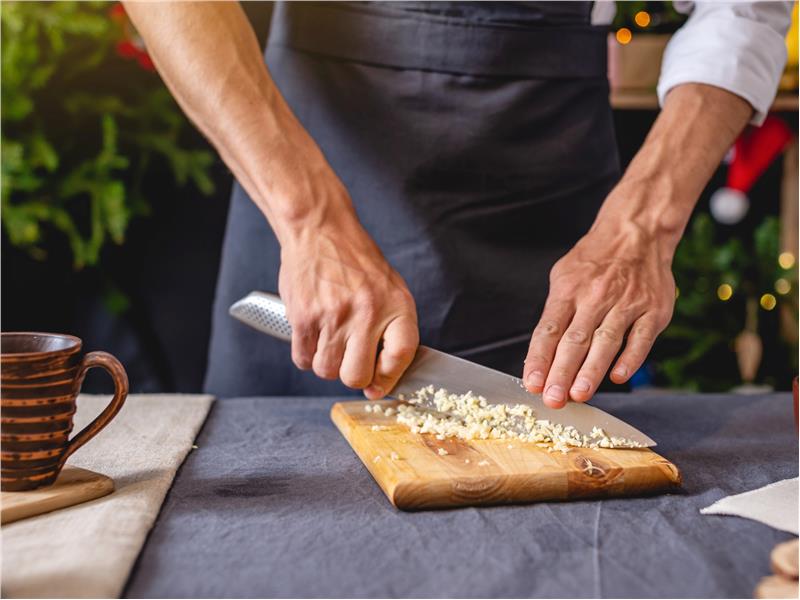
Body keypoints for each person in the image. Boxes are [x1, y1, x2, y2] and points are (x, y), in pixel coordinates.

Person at [124, 1, 792, 407]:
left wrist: (644, 224)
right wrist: (309, 220)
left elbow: (744, 6)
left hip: (548, 189)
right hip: (301, 176)